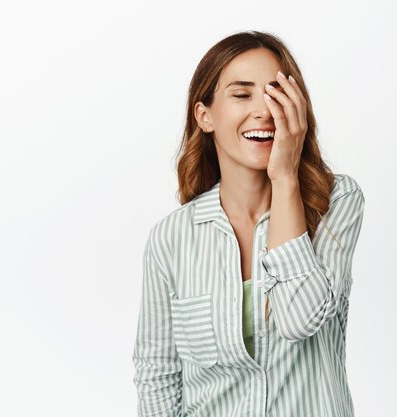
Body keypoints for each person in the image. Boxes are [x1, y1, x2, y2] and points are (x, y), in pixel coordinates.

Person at [132, 30, 366, 417]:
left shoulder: (335, 202)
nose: (264, 110)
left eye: (276, 94)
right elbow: (157, 374)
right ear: (204, 115)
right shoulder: (171, 237)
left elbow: (298, 320)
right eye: (242, 94)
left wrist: (286, 177)